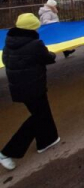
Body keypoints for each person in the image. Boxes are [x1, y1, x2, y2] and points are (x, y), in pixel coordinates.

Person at [0, 13, 60, 171]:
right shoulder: (35, 44)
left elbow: (7, 61)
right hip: (33, 86)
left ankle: (47, 140)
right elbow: (48, 58)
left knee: (43, 112)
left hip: (19, 87)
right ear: (31, 29)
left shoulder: (8, 44)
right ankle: (7, 152)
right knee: (38, 116)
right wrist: (51, 54)